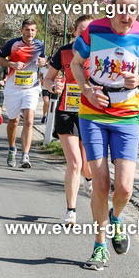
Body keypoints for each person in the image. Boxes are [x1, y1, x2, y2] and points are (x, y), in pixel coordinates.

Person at [70, 0, 139, 270]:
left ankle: (116, 217)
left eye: (132, 9)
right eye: (121, 8)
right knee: (102, 183)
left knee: (125, 188)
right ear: (112, 8)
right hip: (92, 113)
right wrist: (86, 89)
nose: (126, 15)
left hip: (127, 115)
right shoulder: (93, 30)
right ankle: (99, 245)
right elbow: (76, 63)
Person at [43, 15, 93, 226]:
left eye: (89, 31)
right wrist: (54, 87)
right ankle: (71, 210)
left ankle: (89, 179)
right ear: (74, 31)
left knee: (86, 166)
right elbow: (47, 78)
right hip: (67, 111)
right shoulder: (63, 52)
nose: (85, 34)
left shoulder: (99, 53)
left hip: (91, 112)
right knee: (74, 162)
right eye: (82, 31)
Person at [0, 17, 47, 169]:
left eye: (32, 30)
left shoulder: (40, 45)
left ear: (36, 31)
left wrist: (43, 62)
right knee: (14, 121)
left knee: (29, 120)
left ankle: (25, 156)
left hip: (31, 87)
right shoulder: (13, 44)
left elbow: (42, 61)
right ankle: (12, 149)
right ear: (22, 30)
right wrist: (11, 63)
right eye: (27, 30)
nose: (30, 33)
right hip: (13, 87)